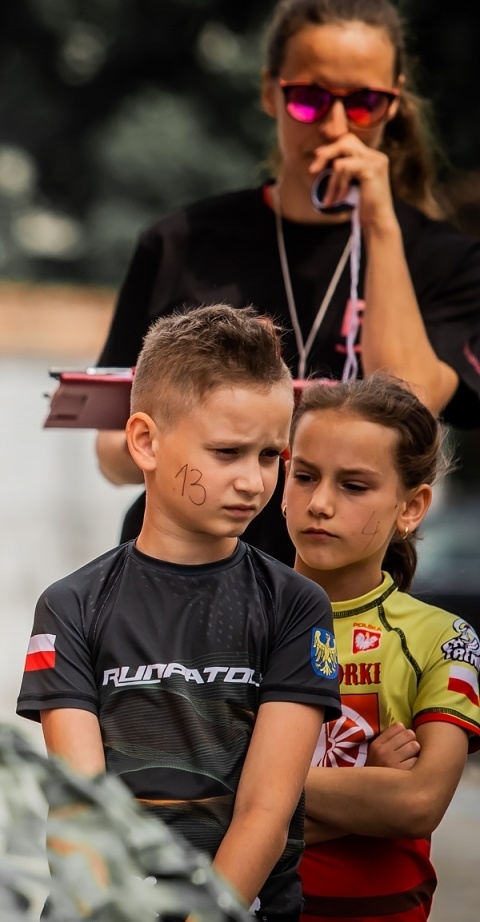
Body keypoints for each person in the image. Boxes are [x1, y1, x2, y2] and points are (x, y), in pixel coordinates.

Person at [18, 305, 340, 922]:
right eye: (228, 452)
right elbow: (82, 807)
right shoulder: (71, 605)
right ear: (145, 441)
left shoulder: (297, 606)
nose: (254, 480)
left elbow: (266, 808)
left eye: (272, 456)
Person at [93, 0, 480, 564]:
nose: (335, 125)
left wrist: (378, 224)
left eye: (365, 103)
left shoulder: (442, 258)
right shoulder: (181, 242)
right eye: (309, 98)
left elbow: (409, 403)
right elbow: (112, 449)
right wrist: (217, 443)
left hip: (352, 590)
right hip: (185, 576)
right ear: (271, 91)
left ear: (394, 102)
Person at [285, 377, 479, 922]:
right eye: (303, 475)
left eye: (355, 485)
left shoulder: (441, 636)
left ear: (412, 506)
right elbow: (199, 800)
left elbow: (420, 801)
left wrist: (266, 795)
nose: (320, 502)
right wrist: (364, 790)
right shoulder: (230, 621)